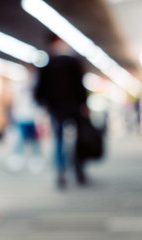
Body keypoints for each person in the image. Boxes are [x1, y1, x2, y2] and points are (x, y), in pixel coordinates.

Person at [35, 34, 88, 188]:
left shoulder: (47, 64)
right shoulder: (74, 62)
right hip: (74, 107)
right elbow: (81, 86)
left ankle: (61, 171)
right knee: (78, 139)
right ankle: (79, 169)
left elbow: (40, 89)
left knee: (58, 140)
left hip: (55, 108)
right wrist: (84, 104)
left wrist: (43, 104)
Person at [8, 66, 43, 173]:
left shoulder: (37, 87)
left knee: (35, 140)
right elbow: (15, 101)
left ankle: (36, 159)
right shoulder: (20, 85)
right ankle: (18, 158)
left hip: (33, 117)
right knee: (20, 139)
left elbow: (40, 103)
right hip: (21, 116)